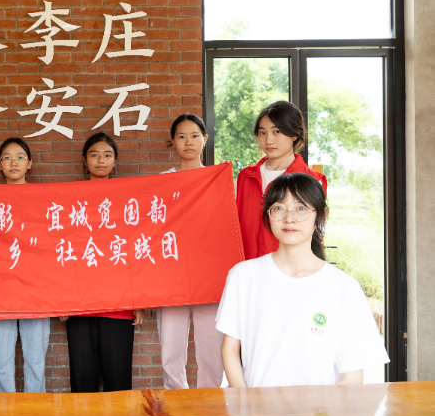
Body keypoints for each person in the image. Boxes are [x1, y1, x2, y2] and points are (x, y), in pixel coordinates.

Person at [216, 173, 389, 388]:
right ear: (267, 214)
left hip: (322, 409)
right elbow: (230, 349)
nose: (289, 218)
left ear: (321, 216)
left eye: (301, 208)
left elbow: (352, 377)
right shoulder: (243, 276)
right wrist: (247, 402)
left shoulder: (344, 287)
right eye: (279, 208)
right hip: (256, 408)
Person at [60, 132, 144, 393]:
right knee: (82, 376)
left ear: (115, 161)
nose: (101, 160)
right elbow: (60, 249)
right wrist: (60, 298)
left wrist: (139, 300)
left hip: (119, 301)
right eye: (94, 155)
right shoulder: (70, 198)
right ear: (84, 160)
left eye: (107, 155)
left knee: (117, 376)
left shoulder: (127, 198)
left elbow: (136, 250)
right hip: (78, 301)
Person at [157, 114, 224, 389]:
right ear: (172, 141)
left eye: (195, 136)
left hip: (209, 275)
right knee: (170, 349)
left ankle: (210, 403)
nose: (188, 142)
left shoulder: (217, 179)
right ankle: (176, 402)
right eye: (181, 136)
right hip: (171, 275)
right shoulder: (160, 182)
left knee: (213, 351)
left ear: (205, 139)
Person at [0, 137, 51, 393]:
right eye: (7, 158)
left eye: (20, 157)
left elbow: (53, 246)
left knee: (36, 362)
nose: (14, 162)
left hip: (37, 290)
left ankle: (34, 413)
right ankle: (4, 414)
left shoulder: (45, 199)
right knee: (1, 363)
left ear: (30, 163)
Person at [236, 101, 327, 260]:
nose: (268, 140)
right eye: (262, 132)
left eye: (276, 131)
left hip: (289, 268)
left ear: (295, 133)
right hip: (246, 267)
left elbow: (317, 235)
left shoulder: (312, 179)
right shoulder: (245, 176)